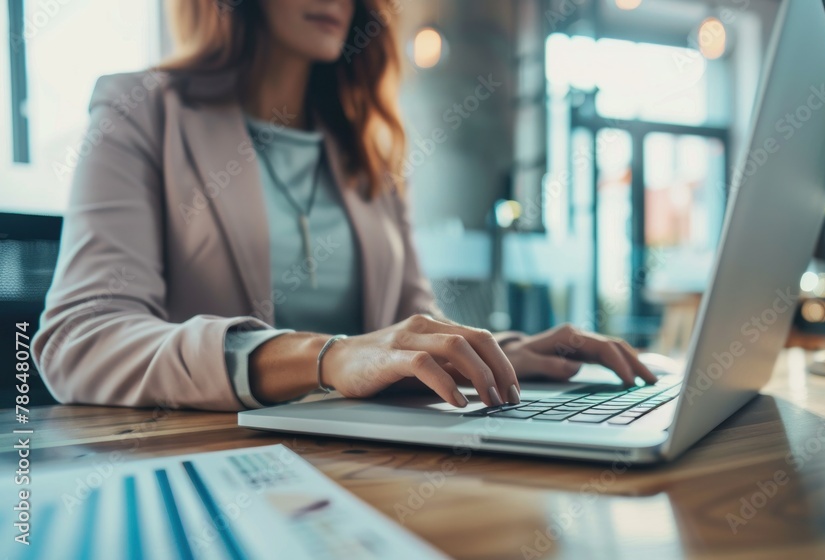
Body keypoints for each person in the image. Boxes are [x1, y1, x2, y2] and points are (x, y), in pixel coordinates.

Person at [32, 0, 655, 412]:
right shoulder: (142, 112)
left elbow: (406, 322)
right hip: (204, 468)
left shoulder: (367, 150)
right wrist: (327, 358)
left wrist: (499, 354)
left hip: (362, 465)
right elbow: (80, 339)